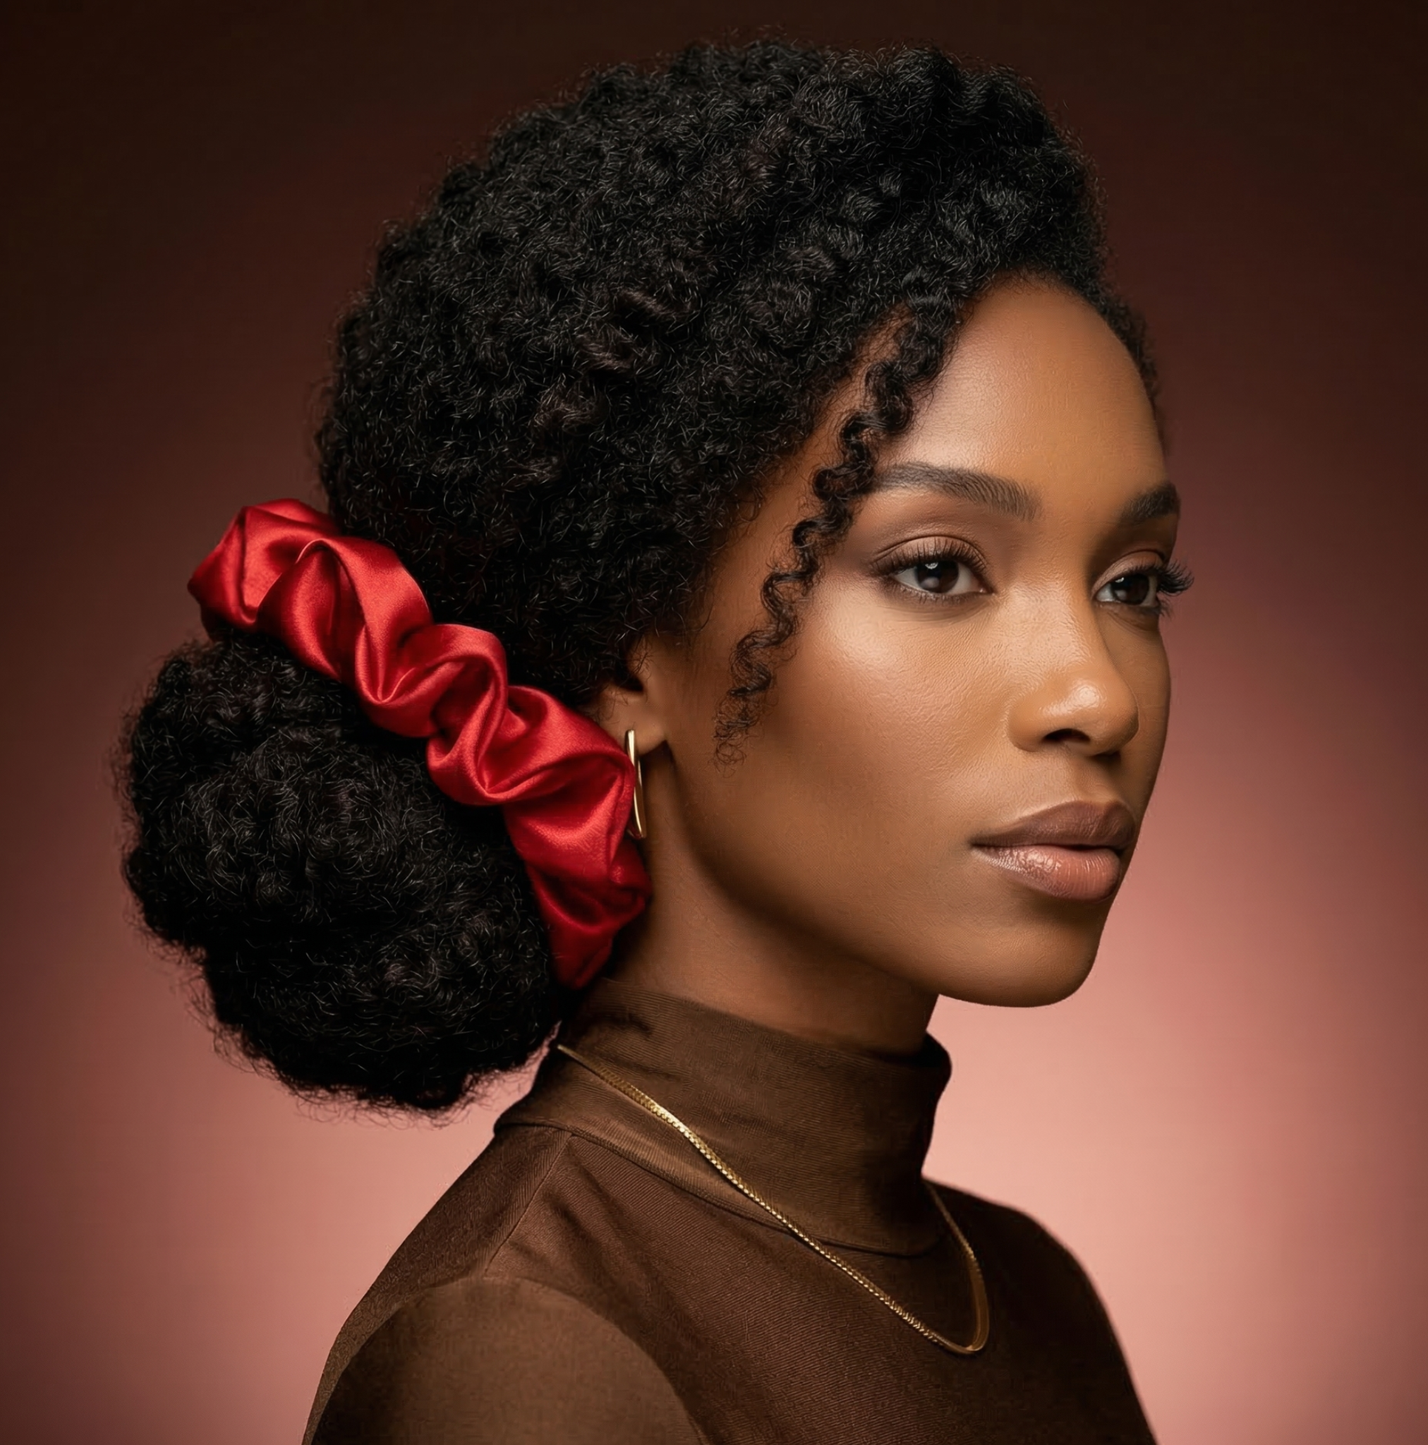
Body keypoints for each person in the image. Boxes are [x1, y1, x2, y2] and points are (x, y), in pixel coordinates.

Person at [122, 40, 1186, 1444]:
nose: (1099, 695)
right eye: (938, 569)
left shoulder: (1032, 1294)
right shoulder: (523, 1359)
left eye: (1133, 584)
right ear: (633, 654)